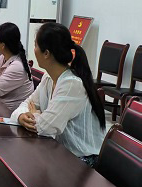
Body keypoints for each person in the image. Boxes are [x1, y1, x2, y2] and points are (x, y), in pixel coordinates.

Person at [11, 22, 106, 167]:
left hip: (82, 160)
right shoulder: (48, 78)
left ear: (46, 53)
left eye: (35, 45)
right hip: (59, 150)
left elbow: (46, 128)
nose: (34, 49)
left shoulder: (71, 84)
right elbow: (26, 104)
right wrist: (21, 116)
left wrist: (35, 114)